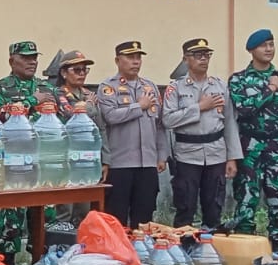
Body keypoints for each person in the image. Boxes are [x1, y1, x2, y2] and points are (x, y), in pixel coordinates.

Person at [227, 29, 278, 252]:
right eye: (263, 46)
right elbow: (245, 109)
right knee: (246, 202)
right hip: (249, 147)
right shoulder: (239, 79)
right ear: (251, 50)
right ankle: (244, 253)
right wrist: (271, 88)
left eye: (271, 44)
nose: (268, 49)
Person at [0, 40, 58, 255]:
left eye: (34, 57)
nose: (32, 62)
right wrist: (30, 101)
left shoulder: (47, 87)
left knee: (45, 223)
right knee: (9, 226)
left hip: (43, 165)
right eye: (26, 58)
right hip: (13, 166)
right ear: (12, 61)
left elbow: (60, 118)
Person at [160, 37, 242, 230]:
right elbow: (168, 120)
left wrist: (232, 157)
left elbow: (230, 122)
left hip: (216, 153)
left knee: (214, 207)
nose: (203, 59)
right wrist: (200, 107)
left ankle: (210, 250)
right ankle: (183, 251)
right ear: (185, 59)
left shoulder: (220, 86)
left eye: (206, 55)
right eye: (197, 55)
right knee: (185, 206)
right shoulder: (176, 88)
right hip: (187, 154)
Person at [97, 40, 168, 228]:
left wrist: (162, 155)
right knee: (116, 217)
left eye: (138, 58)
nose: (135, 62)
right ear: (117, 60)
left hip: (147, 163)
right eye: (130, 57)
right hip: (121, 163)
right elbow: (111, 116)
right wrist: (139, 106)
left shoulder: (150, 87)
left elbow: (159, 125)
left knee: (144, 217)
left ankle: (141, 253)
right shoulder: (108, 87)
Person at [53, 49, 110, 225]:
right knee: (64, 211)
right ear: (63, 73)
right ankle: (59, 248)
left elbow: (100, 129)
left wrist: (105, 159)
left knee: (84, 210)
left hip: (86, 160)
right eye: (76, 70)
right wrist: (90, 106)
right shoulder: (58, 94)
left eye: (84, 70)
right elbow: (71, 114)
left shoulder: (87, 95)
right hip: (65, 159)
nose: (82, 74)